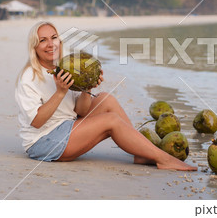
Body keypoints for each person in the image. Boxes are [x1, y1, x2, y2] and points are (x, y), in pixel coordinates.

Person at [15, 21, 197, 171]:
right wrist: (61, 92)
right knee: (111, 121)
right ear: (34, 47)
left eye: (54, 38)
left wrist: (87, 87)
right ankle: (163, 159)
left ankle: (141, 153)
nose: (50, 44)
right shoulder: (29, 77)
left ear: (60, 42)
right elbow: (37, 121)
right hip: (44, 142)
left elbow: (81, 110)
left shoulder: (64, 69)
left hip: (66, 126)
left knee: (105, 98)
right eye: (43, 40)